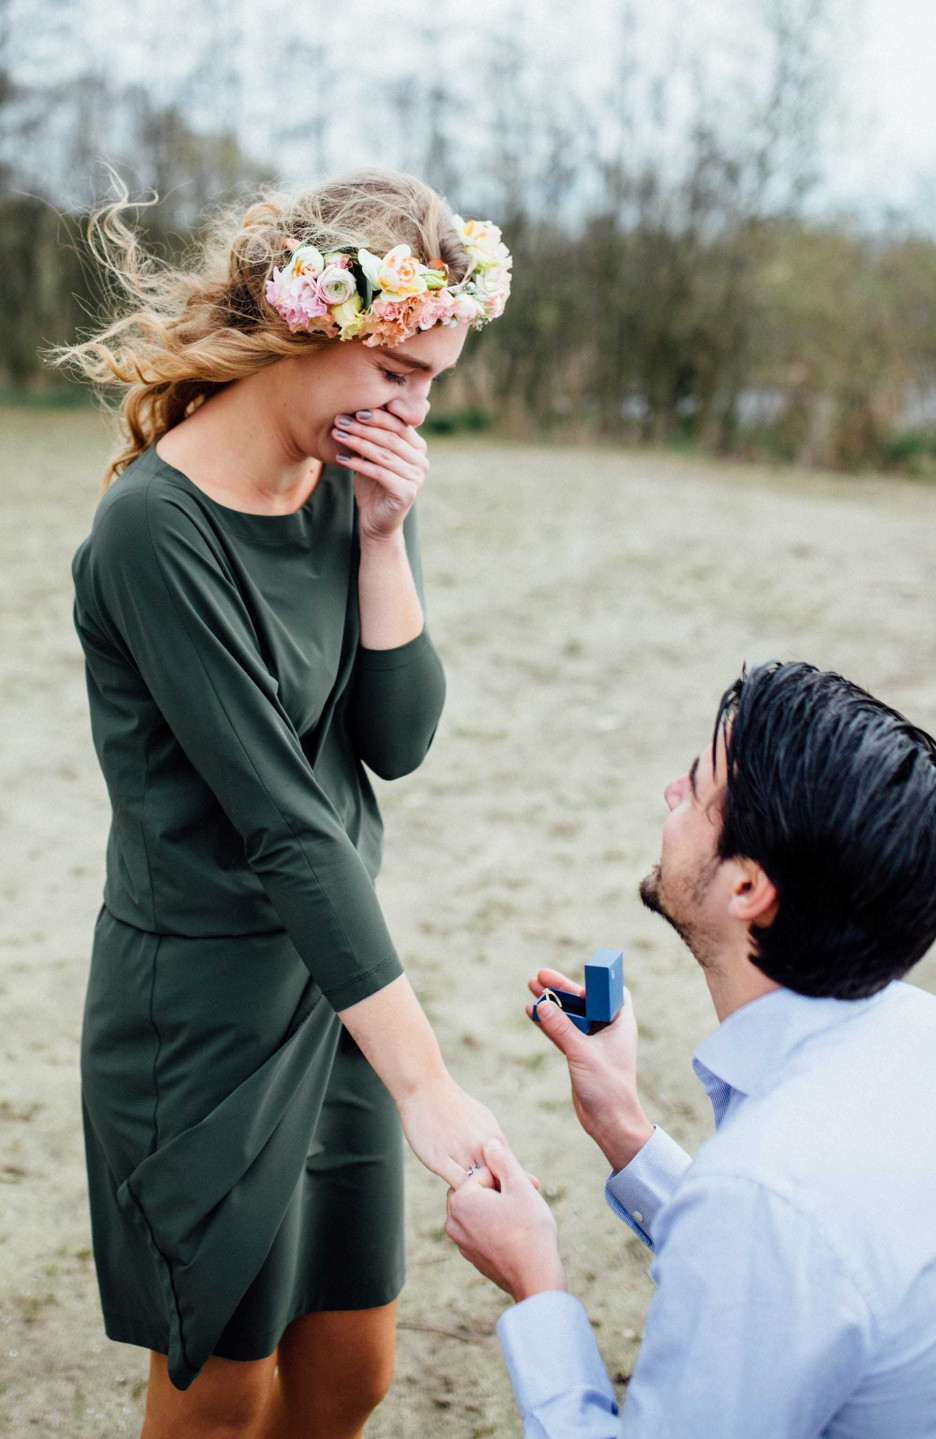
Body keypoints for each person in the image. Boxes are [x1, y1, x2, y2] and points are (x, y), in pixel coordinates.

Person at [54, 168, 514, 1438]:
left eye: (433, 381)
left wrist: (379, 537)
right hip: (200, 1015)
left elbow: (395, 738)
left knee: (351, 1370)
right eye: (396, 372)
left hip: (335, 983)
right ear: (304, 331)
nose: (415, 410)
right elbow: (285, 822)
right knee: (221, 1394)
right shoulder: (153, 531)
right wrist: (427, 1082)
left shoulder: (358, 474)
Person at [446, 660, 936, 1437]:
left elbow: (771, 1224)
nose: (670, 793)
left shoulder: (764, 1196)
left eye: (693, 784)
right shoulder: (928, 1035)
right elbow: (782, 1263)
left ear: (749, 889)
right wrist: (624, 1125)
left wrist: (535, 1280)